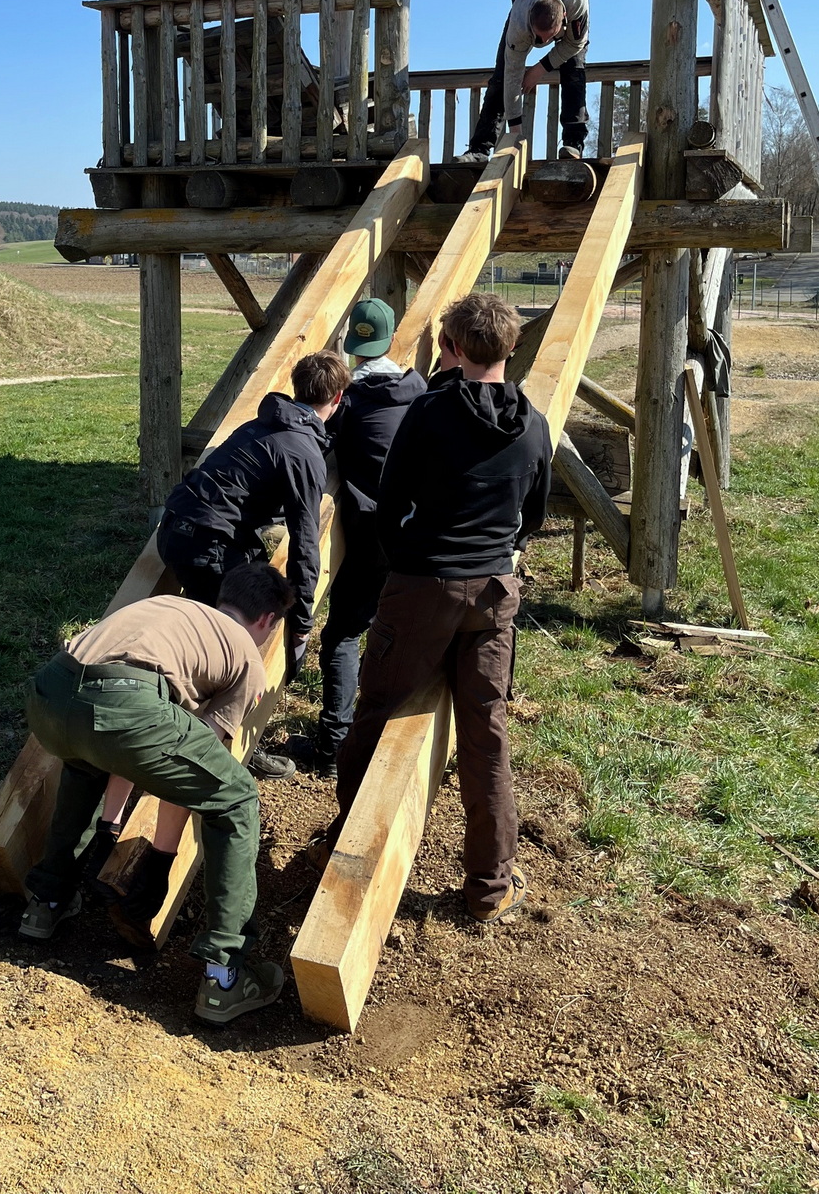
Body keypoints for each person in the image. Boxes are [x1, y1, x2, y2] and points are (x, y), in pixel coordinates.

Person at [326, 293, 553, 924]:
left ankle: (345, 850)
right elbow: (534, 514)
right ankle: (490, 885)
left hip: (425, 583)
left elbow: (390, 499)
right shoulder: (533, 424)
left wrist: (410, 562)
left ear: (450, 348)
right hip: (495, 592)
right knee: (487, 735)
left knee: (376, 711)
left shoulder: (428, 413)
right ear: (512, 348)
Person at [18, 561, 295, 1026]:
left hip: (50, 695)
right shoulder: (246, 656)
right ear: (268, 620)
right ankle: (224, 977)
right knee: (236, 799)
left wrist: (109, 825)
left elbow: (113, 720)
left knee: (83, 764)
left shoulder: (167, 609)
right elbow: (195, 771)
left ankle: (44, 904)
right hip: (122, 706)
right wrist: (160, 862)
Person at [157, 349, 351, 779]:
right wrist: (301, 621)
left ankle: (181, 720)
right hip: (209, 544)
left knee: (215, 622)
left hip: (174, 528)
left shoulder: (262, 424)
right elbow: (305, 543)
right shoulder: (304, 452)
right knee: (237, 644)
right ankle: (229, 746)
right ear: (337, 398)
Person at [286, 299, 425, 778]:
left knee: (343, 633)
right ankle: (389, 739)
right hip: (418, 534)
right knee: (401, 633)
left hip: (368, 533)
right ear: (391, 341)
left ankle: (333, 748)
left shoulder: (348, 402)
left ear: (351, 345)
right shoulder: (419, 393)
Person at [465, 0, 590, 162]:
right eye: (538, 38)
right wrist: (515, 132)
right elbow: (511, 75)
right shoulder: (519, 25)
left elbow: (574, 44)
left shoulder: (576, 4)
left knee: (574, 71)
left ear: (564, 17)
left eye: (550, 37)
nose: (544, 42)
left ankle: (573, 144)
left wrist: (539, 69)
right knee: (500, 80)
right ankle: (478, 150)